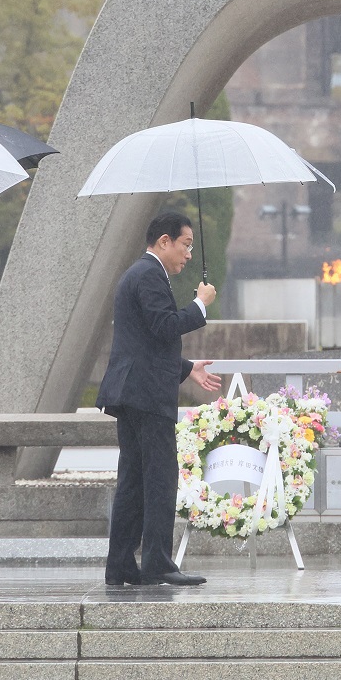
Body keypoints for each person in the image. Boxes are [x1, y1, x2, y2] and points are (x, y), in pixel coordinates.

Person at [98, 210, 221, 588]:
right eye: (185, 245)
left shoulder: (141, 273)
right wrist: (200, 304)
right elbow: (164, 326)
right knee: (159, 479)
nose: (188, 254)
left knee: (134, 480)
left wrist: (187, 368)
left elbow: (147, 342)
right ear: (163, 241)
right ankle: (157, 563)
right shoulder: (150, 274)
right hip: (147, 395)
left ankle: (120, 565)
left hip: (135, 391)